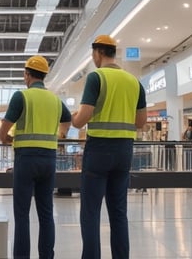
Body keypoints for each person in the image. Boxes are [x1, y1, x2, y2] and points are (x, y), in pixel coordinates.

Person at [71, 35, 147, 259]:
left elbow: (83, 117)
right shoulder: (134, 82)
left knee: (91, 213)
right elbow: (141, 122)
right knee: (118, 212)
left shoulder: (96, 77)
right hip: (124, 151)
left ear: (98, 53)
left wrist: (73, 120)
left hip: (99, 150)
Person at [0, 55, 71, 259]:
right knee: (46, 213)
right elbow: (68, 120)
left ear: (27, 75)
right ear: (44, 76)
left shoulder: (22, 97)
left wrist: (7, 139)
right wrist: (60, 135)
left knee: (22, 215)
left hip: (26, 159)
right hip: (48, 159)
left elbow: (3, 131)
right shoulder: (56, 100)